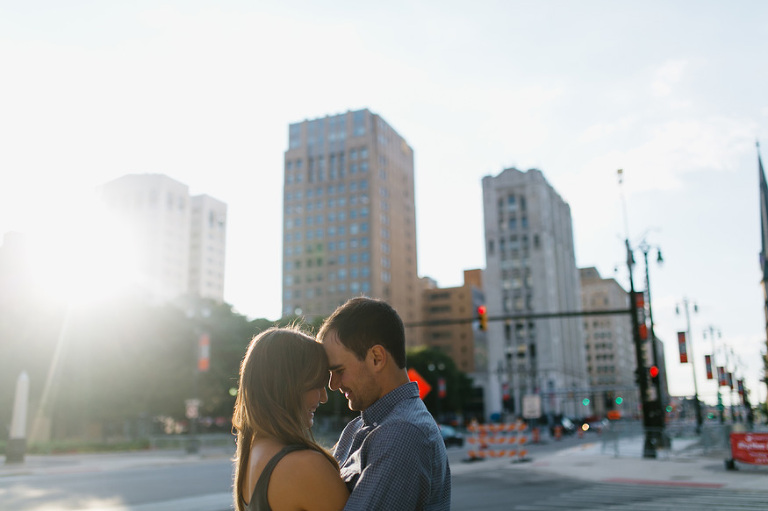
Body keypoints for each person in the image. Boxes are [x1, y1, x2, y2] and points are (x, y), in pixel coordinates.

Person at [317, 297, 451, 510]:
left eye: (339, 371)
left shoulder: (401, 433)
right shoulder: (360, 426)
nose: (333, 385)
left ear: (377, 358)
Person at [232, 327, 349, 511]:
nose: (324, 397)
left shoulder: (253, 452)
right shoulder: (306, 466)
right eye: (318, 384)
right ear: (287, 387)